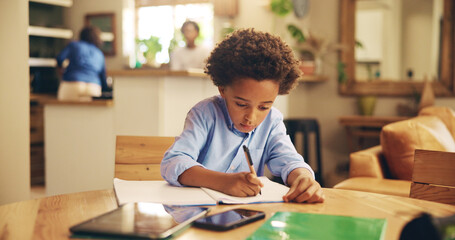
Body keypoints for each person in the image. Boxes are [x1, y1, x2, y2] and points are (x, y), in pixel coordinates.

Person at [161, 29, 324, 203]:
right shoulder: (205, 114)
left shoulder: (272, 121)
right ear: (222, 89)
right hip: (198, 214)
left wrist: (303, 177)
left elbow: (289, 160)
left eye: (264, 107)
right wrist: (223, 182)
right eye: (241, 104)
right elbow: (174, 162)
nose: (251, 118)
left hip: (245, 216)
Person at [56, 26, 108, 101]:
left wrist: (61, 70)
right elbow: (103, 77)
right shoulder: (99, 53)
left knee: (64, 111)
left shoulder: (74, 45)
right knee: (88, 113)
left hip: (73, 83)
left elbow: (59, 58)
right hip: (93, 87)